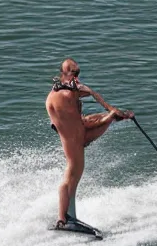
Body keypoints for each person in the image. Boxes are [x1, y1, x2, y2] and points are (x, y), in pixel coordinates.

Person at [45, 58, 134, 229]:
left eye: (78, 73)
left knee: (104, 118)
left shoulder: (56, 94)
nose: (77, 77)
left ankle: (67, 217)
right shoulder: (69, 94)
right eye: (74, 73)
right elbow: (89, 102)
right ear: (64, 74)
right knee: (71, 175)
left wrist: (112, 113)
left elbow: (85, 113)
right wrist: (111, 113)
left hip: (77, 133)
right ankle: (64, 219)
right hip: (76, 140)